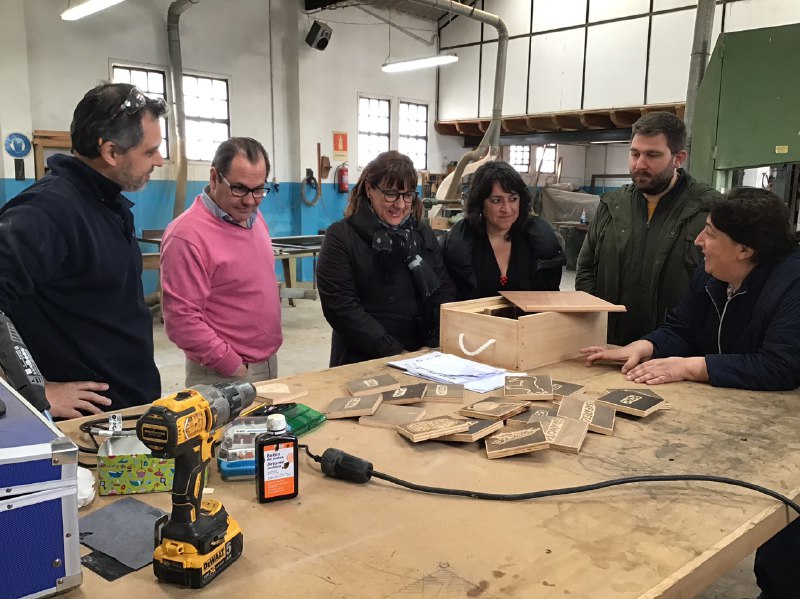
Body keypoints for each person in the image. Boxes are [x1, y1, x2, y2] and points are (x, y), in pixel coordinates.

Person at [0, 83, 165, 417]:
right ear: (111, 153)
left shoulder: (109, 205)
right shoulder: (45, 213)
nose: (159, 161)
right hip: (84, 430)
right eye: (150, 151)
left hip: (127, 413)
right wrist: (34, 392)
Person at [581, 187, 800, 391]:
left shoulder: (792, 286)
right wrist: (643, 347)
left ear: (744, 250)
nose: (698, 241)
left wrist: (690, 368)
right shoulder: (711, 274)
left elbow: (780, 366)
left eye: (710, 234)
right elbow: (681, 329)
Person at [576, 111, 722, 346]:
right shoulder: (612, 205)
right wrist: (598, 322)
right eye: (635, 153)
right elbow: (585, 269)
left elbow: (721, 282)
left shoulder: (708, 209)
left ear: (678, 158)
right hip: (610, 344)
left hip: (675, 354)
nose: (639, 164)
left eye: (652, 155)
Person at [160, 138, 282, 386]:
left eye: (259, 190)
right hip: (222, 373)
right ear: (214, 177)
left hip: (267, 362)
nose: (250, 201)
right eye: (239, 188)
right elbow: (182, 320)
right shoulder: (186, 235)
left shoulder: (255, 220)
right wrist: (233, 366)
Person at [317, 150, 456, 366]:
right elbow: (342, 307)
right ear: (369, 189)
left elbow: (444, 292)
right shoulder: (342, 237)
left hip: (421, 358)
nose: (400, 205)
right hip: (362, 360)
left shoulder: (421, 235)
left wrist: (431, 344)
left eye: (408, 195)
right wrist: (394, 352)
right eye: (391, 194)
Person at [441, 160, 564, 299]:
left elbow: (550, 298)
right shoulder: (458, 243)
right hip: (473, 320)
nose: (506, 209)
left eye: (513, 199)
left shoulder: (542, 241)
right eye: (496, 201)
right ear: (480, 203)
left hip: (528, 320)